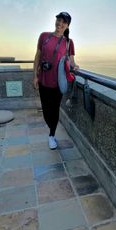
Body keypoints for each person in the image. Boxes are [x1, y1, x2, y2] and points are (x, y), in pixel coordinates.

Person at [33, 12, 79, 149]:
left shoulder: (68, 42)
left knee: (54, 109)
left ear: (67, 26)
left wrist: (75, 66)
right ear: (55, 21)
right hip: (43, 80)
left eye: (64, 22)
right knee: (46, 110)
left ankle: (51, 135)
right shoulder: (44, 36)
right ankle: (51, 127)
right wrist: (34, 75)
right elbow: (37, 56)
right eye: (59, 20)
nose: (60, 23)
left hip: (58, 83)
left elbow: (71, 61)